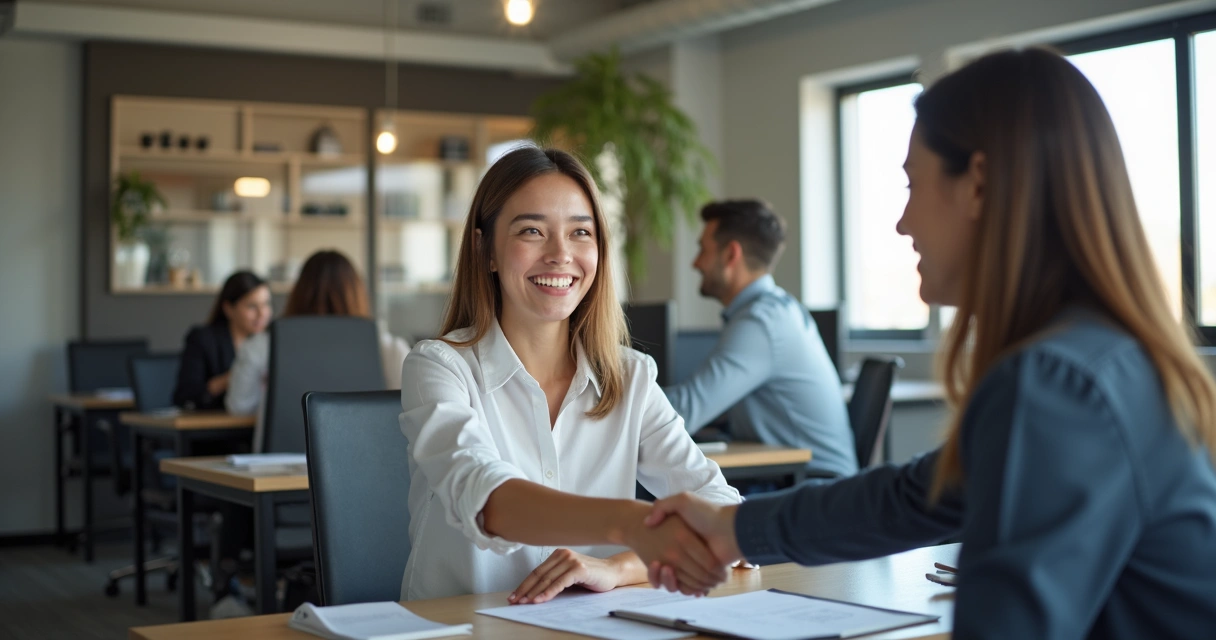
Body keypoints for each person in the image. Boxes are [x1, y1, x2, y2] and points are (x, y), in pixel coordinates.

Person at [637, 48, 1216, 639]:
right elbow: (917, 498)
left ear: (980, 185)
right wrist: (733, 527)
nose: (902, 223)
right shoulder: (1100, 355)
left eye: (913, 185)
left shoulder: (1054, 382)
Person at [398, 146, 741, 604]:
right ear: (486, 251)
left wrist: (619, 567)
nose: (561, 254)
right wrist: (630, 524)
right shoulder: (440, 367)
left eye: (581, 232)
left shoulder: (629, 377)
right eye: (532, 231)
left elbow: (723, 513)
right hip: (462, 628)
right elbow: (488, 499)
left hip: (589, 628)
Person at [663, 200, 855, 479]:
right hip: (804, 483)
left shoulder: (762, 323)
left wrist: (603, 402)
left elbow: (684, 410)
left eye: (703, 249)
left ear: (731, 254)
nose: (696, 263)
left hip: (816, 489)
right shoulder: (775, 311)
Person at [226, 250, 410, 451]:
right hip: (364, 468)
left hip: (278, 470)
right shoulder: (389, 348)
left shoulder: (262, 345)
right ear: (358, 292)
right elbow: (407, 409)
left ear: (299, 291)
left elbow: (239, 406)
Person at [173, 270, 271, 410]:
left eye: (266, 304)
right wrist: (236, 377)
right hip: (217, 424)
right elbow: (185, 396)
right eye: (252, 306)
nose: (262, 314)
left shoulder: (271, 341)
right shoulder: (203, 339)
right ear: (229, 308)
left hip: (256, 422)